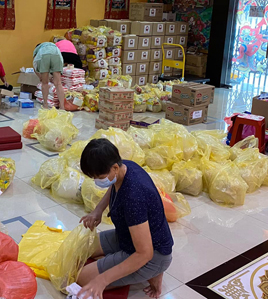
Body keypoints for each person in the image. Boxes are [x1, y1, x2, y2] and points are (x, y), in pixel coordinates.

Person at [77, 138, 173, 299]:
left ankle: (155, 272)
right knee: (81, 247)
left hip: (153, 255)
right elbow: (114, 187)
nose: (97, 181)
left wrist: (102, 280)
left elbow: (144, 253)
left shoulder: (133, 197)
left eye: (99, 177)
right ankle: (124, 263)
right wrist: (98, 211)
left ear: (114, 167)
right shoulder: (124, 167)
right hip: (127, 236)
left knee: (82, 280)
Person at [33, 42, 65, 109]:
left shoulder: (37, 50)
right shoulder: (53, 46)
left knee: (45, 83)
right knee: (58, 83)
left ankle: (45, 105)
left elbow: (34, 65)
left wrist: (40, 77)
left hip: (44, 55)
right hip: (56, 54)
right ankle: (62, 106)